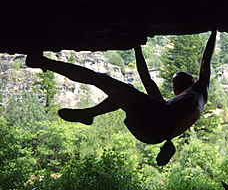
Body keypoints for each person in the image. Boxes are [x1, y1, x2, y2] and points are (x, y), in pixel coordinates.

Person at [26, 30, 217, 165]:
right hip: (152, 133)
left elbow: (205, 60)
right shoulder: (168, 105)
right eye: (173, 80)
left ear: (191, 80)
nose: (174, 81)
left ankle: (41, 61)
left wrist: (214, 30)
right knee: (123, 91)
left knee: (101, 79)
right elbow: (146, 78)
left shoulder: (200, 89)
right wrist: (136, 47)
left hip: (160, 123)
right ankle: (89, 113)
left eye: (179, 78)